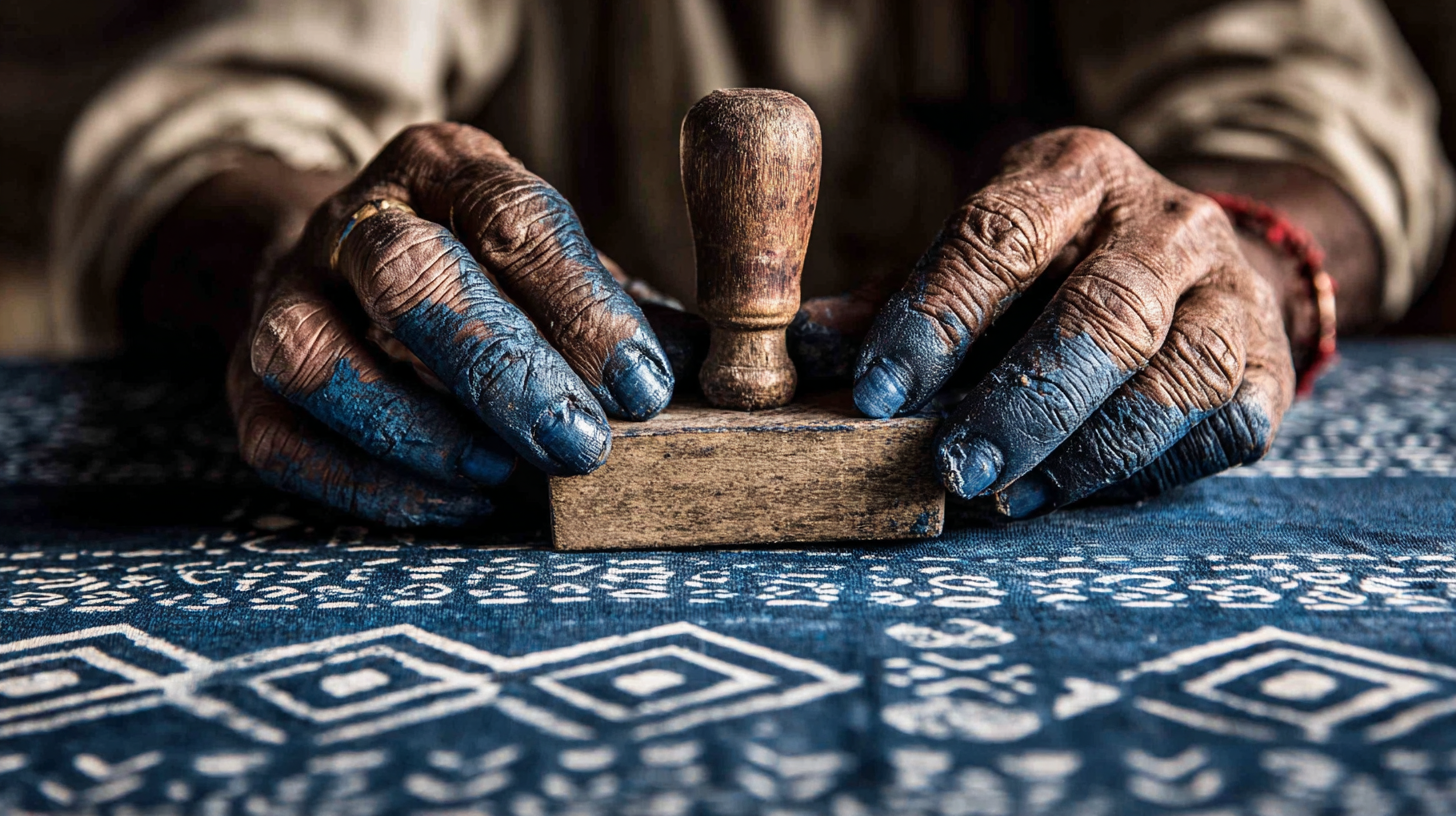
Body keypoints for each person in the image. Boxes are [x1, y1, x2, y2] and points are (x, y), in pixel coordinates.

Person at [50, 0, 1453, 525]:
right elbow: (210, 133)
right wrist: (335, 242)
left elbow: (1321, 120)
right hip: (561, 423)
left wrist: (1249, 252)